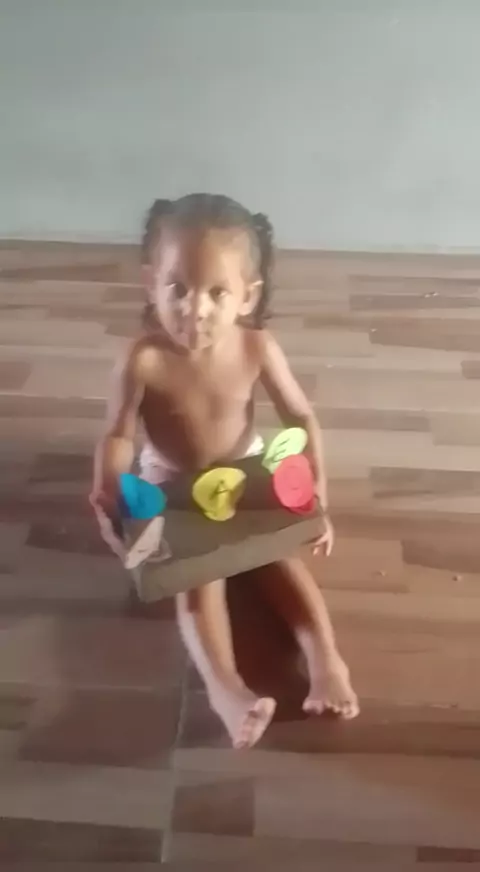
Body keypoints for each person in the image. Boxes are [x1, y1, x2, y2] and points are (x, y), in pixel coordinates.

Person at [90, 193, 359, 749]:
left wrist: (316, 491)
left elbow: (300, 416)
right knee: (197, 575)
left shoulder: (257, 347)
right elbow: (118, 434)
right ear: (151, 284)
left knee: (276, 559)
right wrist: (107, 483)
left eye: (217, 292)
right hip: (170, 478)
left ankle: (326, 661)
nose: (195, 309)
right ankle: (225, 689)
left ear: (247, 297)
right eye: (178, 288)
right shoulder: (143, 359)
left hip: (243, 465)